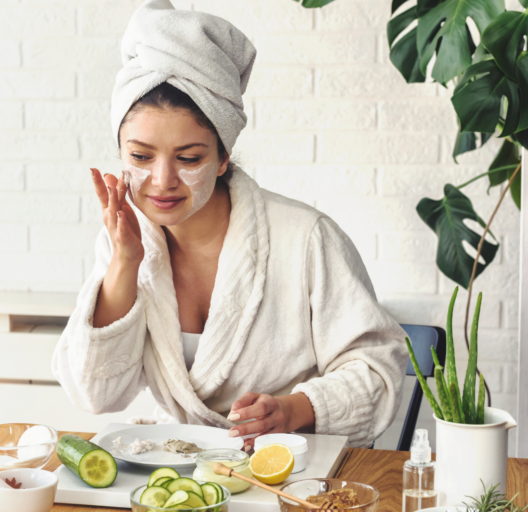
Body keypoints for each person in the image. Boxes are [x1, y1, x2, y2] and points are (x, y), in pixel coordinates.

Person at [51, 0, 408, 449]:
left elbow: (380, 367)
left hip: (292, 469)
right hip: (182, 470)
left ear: (223, 157)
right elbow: (94, 394)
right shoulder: (126, 241)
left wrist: (295, 409)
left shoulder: (306, 239)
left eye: (189, 158)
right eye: (140, 156)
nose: (162, 181)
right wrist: (124, 263)